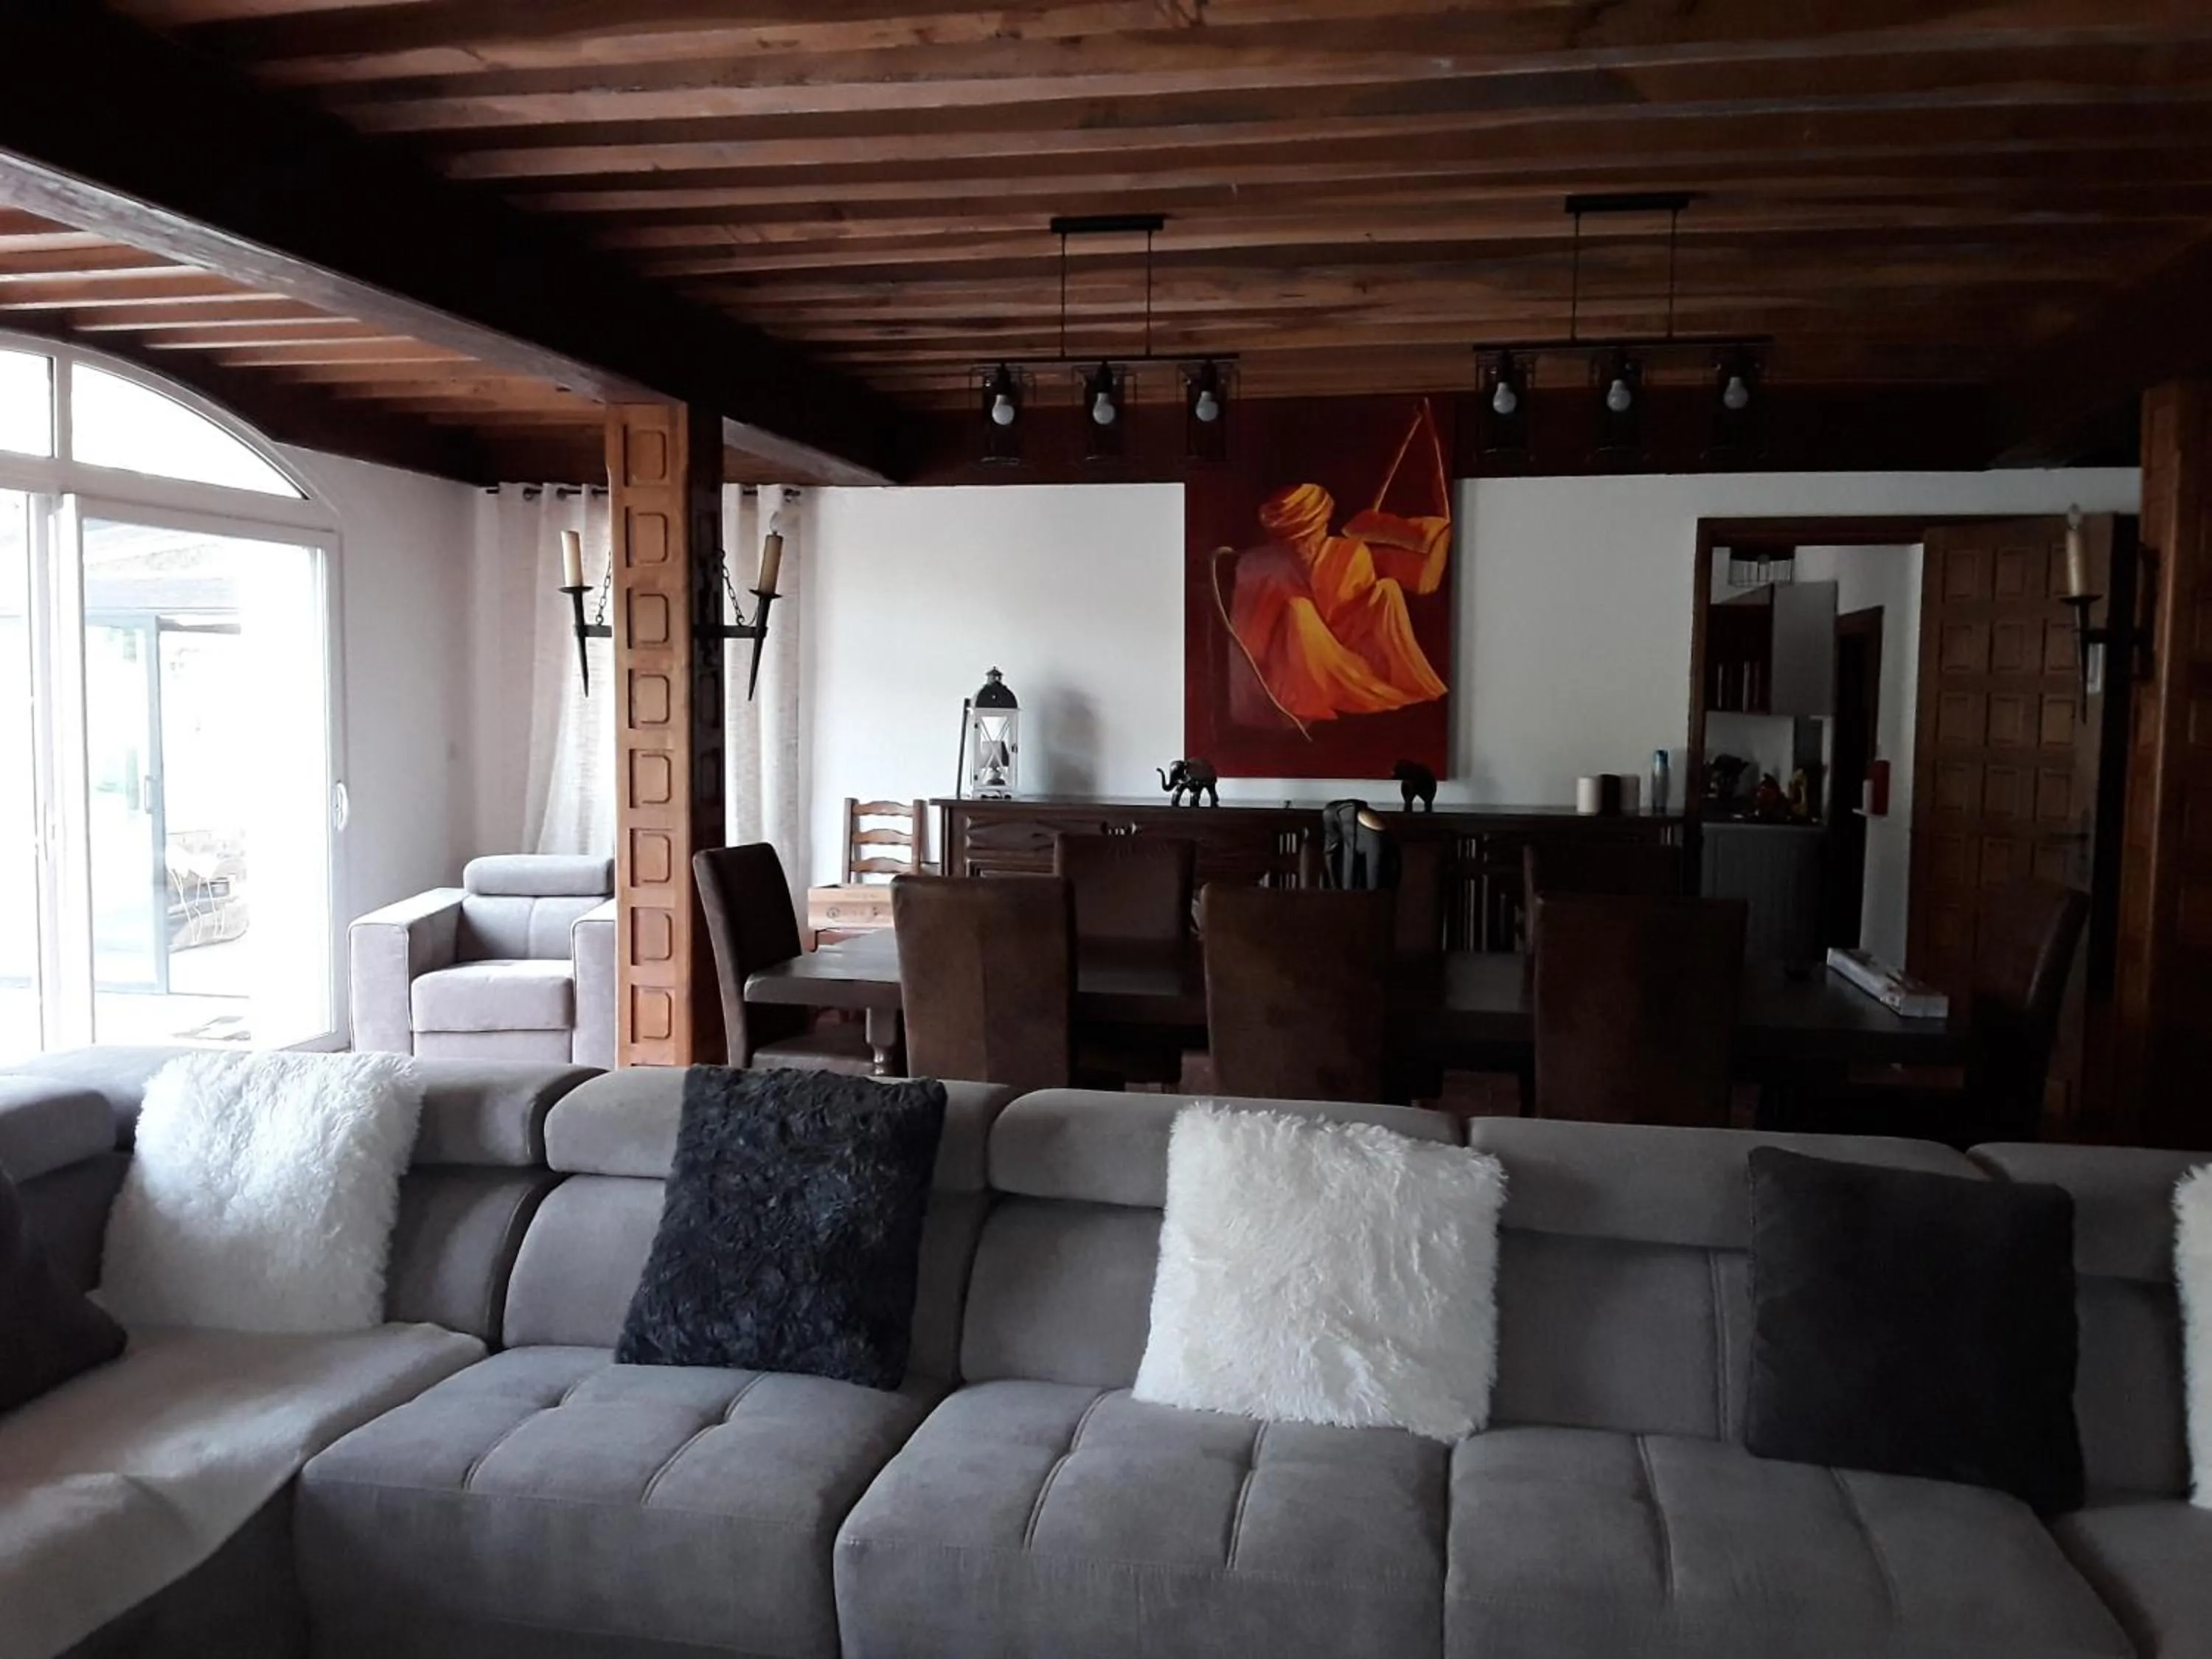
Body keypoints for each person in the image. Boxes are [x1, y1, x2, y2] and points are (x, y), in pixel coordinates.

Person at [1222, 479, 1449, 730]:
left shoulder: (1351, 554)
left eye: (1309, 535)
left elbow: (1358, 621)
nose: (1303, 547)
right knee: (1300, 612)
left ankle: (1401, 682)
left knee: (1388, 591)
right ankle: (1305, 702)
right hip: (1286, 669)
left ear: (1323, 524)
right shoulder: (1261, 565)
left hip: (1347, 657)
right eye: (1295, 539)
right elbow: (1250, 634)